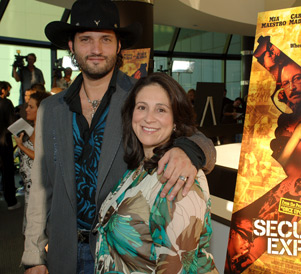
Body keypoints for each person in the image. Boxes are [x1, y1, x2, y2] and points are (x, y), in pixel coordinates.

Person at [21, 1, 216, 273]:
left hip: (117, 254)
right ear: (71, 45)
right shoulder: (51, 109)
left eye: (106, 39)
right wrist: (33, 255)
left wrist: (188, 151)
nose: (96, 49)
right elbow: (41, 187)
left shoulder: (140, 96)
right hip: (61, 249)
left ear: (119, 46)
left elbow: (199, 139)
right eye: (86, 39)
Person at [95, 72, 218, 273]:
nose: (148, 118)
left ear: (177, 120)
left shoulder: (176, 178)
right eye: (142, 107)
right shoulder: (140, 167)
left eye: (161, 110)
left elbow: (176, 267)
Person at [13, 92, 51, 234]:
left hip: (37, 185)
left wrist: (21, 146)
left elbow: (40, 157)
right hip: (29, 186)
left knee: (37, 227)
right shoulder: (32, 129)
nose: (26, 110)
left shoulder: (44, 129)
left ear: (40, 110)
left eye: (30, 107)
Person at [0, 81, 19, 210]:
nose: (9, 92)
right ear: (3, 90)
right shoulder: (6, 103)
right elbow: (13, 124)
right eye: (8, 90)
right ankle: (11, 201)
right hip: (4, 141)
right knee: (7, 171)